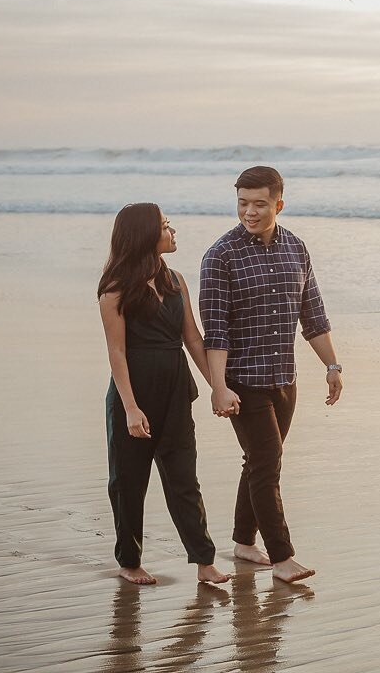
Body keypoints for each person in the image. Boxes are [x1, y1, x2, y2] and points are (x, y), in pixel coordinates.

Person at [200, 165, 342, 583]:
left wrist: (332, 365)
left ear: (278, 203)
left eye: (259, 204)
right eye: (242, 203)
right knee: (267, 463)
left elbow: (312, 315)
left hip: (285, 378)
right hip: (243, 381)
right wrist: (219, 387)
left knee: (260, 462)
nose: (249, 211)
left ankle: (244, 543)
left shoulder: (296, 248)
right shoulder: (220, 256)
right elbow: (216, 330)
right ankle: (282, 558)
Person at [98, 203, 231, 586]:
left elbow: (192, 338)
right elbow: (117, 352)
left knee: (183, 479)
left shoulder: (175, 280)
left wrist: (217, 388)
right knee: (128, 483)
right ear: (145, 235)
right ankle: (129, 561)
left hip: (175, 391)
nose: (173, 231)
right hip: (134, 394)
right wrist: (130, 408)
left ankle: (204, 562)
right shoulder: (115, 290)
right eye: (166, 226)